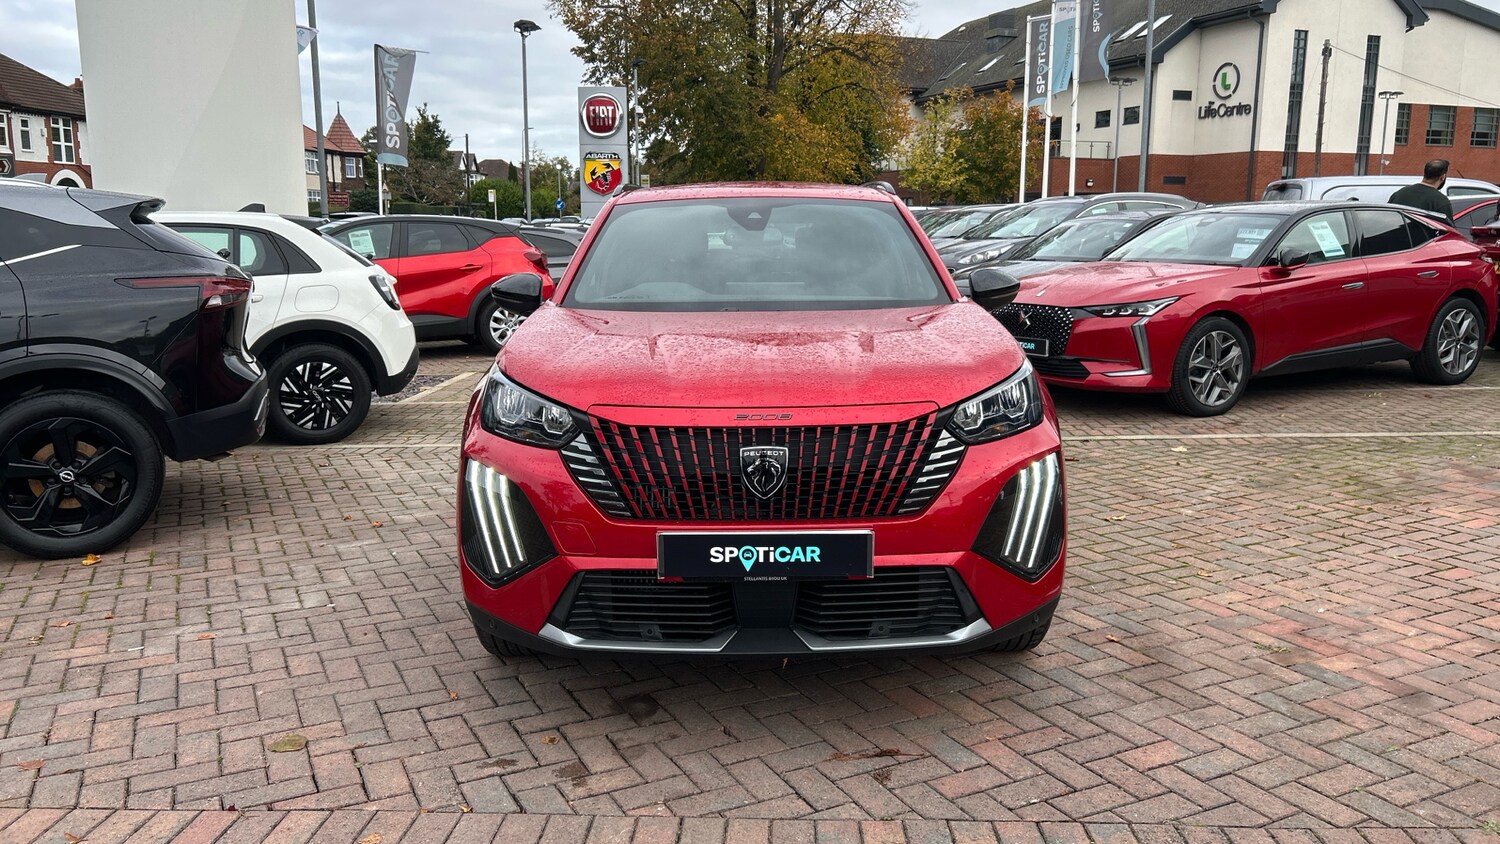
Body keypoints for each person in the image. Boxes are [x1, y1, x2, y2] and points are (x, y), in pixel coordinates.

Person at [1390, 159, 1454, 226]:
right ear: (1442, 177)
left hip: (1392, 234)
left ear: (1425, 173)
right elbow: (1448, 231)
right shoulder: (1440, 201)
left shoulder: (1399, 194)